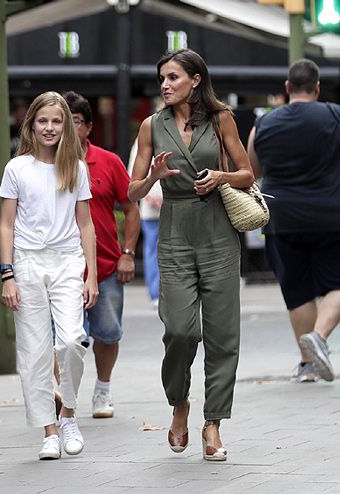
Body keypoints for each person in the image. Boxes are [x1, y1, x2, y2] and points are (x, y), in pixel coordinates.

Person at [128, 49, 254, 462]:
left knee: (222, 336)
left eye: (173, 77)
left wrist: (221, 177)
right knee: (180, 330)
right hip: (175, 232)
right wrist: (154, 177)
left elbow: (247, 173)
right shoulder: (151, 126)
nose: (164, 84)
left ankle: (213, 422)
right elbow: (131, 192)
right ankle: (179, 402)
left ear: (195, 80)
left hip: (218, 231)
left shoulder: (221, 120)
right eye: (162, 77)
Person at [0, 91, 98, 460]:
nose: (51, 127)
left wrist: (91, 276)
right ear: (31, 125)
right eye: (43, 121)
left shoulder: (76, 168)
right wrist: (7, 275)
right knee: (34, 351)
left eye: (57, 121)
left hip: (67, 261)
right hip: (26, 263)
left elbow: (86, 225)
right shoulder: (17, 168)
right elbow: (6, 225)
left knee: (71, 340)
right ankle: (49, 430)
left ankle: (69, 413)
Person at [247, 58, 340, 384]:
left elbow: (252, 171)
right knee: (337, 285)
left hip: (281, 217)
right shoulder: (334, 114)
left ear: (287, 89)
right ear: (317, 88)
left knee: (298, 291)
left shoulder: (265, 124)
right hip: (331, 215)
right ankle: (319, 337)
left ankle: (307, 366)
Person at [62, 91, 140, 419]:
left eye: (75, 121)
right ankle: (65, 397)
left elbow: (130, 207)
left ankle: (103, 389)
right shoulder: (45, 164)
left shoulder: (108, 162)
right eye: (62, 120)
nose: (67, 127)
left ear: (88, 127)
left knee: (107, 333)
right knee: (67, 339)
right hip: (63, 267)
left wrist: (127, 254)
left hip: (106, 264)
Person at [128, 140, 162, 308]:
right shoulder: (147, 134)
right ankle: (155, 293)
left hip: (178, 206)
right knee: (153, 250)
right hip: (152, 208)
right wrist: (148, 196)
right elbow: (133, 174)